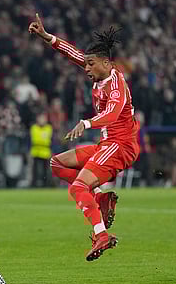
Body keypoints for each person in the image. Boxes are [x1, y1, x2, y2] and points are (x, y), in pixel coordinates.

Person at [29, 14, 139, 261]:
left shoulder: (115, 84)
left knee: (78, 187)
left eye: (90, 64)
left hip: (120, 146)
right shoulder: (100, 73)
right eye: (86, 64)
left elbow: (112, 114)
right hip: (106, 144)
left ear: (106, 63)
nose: (86, 68)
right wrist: (47, 37)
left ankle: (101, 234)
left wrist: (86, 122)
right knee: (57, 163)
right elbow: (73, 54)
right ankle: (99, 198)